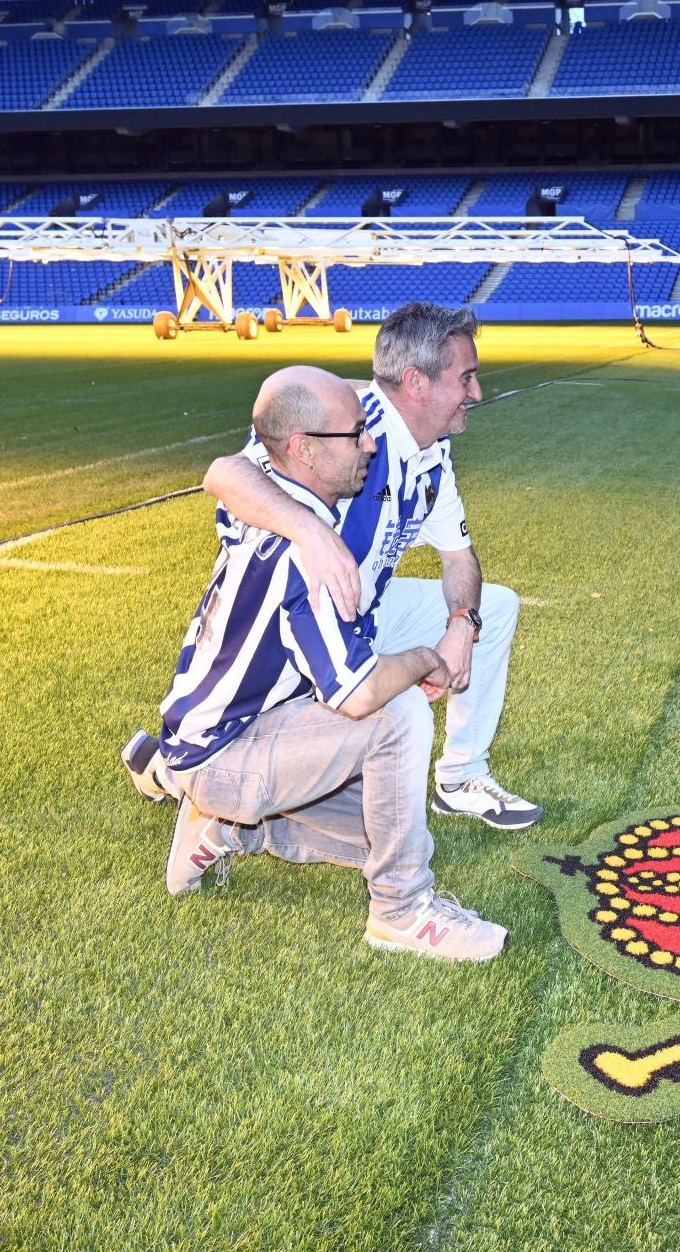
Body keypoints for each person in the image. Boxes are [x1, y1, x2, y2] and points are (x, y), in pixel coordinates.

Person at [126, 301, 542, 829]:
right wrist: (310, 530)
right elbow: (225, 474)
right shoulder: (343, 428)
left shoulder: (432, 453)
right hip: (297, 617)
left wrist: (462, 623)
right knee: (274, 718)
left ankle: (460, 778)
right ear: (416, 382)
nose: (476, 393)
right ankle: (177, 774)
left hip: (360, 609)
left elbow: (460, 558)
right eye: (466, 377)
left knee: (495, 606)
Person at [150, 365, 506, 961]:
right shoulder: (302, 545)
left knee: (395, 829)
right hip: (225, 750)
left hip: (232, 732)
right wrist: (424, 660)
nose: (370, 443)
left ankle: (232, 825)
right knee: (397, 714)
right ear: (305, 450)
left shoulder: (289, 503)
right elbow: (360, 695)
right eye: (356, 434)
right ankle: (401, 910)